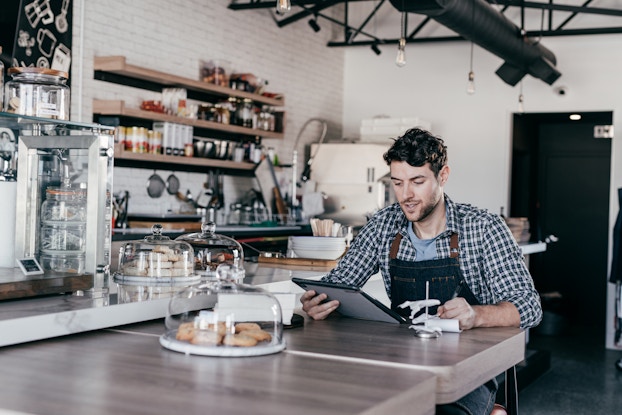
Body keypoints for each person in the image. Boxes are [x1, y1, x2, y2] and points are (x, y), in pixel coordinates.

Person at [300, 128, 542, 415]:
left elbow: (529, 306)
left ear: (443, 176)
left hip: (466, 368)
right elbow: (340, 283)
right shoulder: (383, 225)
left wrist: (476, 315)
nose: (406, 195)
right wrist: (319, 301)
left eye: (417, 181)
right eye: (398, 183)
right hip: (399, 361)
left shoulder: (483, 227)